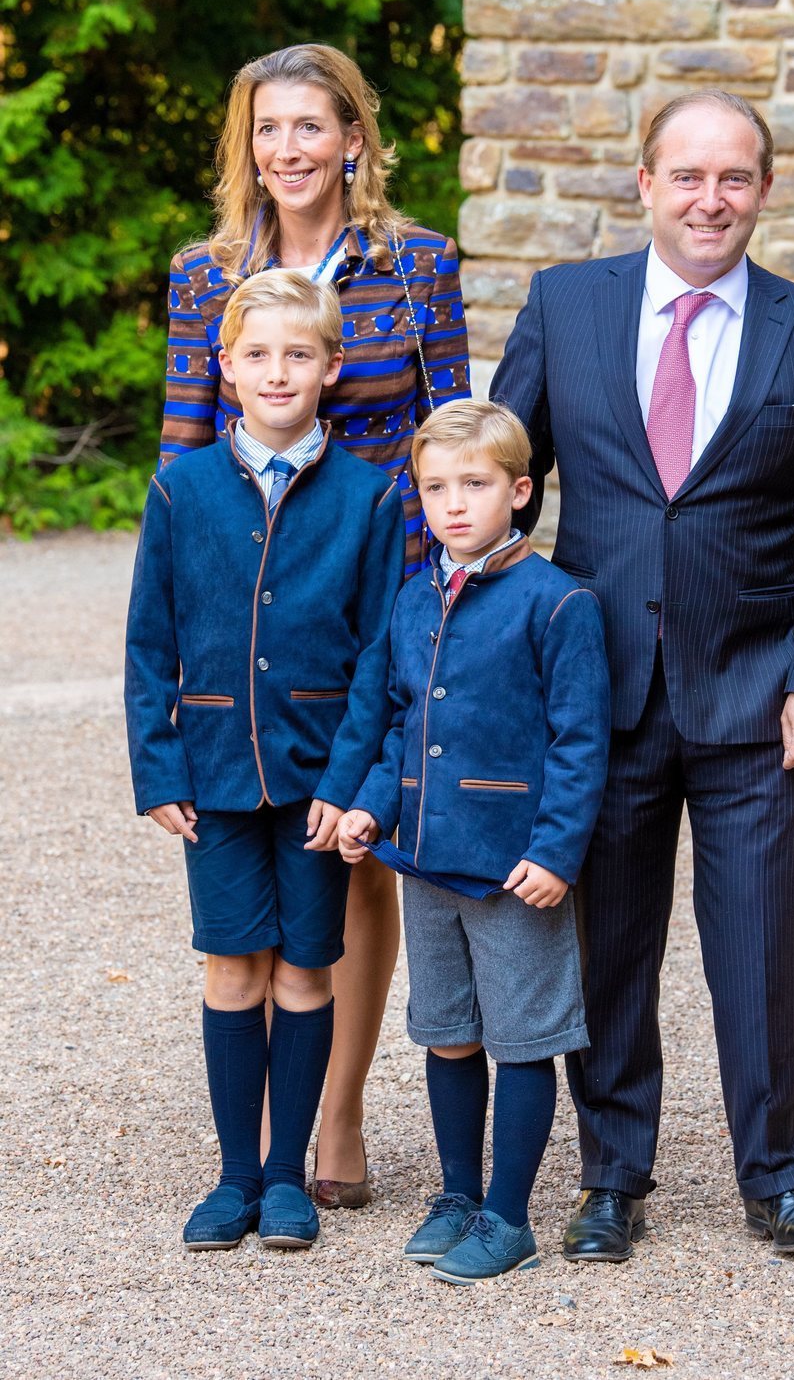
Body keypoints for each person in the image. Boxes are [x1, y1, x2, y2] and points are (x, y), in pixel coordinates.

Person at [490, 90, 794, 1261]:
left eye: (732, 178)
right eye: (686, 176)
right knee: (607, 943)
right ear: (644, 184)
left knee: (762, 949)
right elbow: (497, 483)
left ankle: (777, 1180)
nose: (708, 199)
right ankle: (611, 1178)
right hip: (593, 696)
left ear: (763, 191)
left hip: (759, 698)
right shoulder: (565, 306)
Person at [159, 43, 471, 1205]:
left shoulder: (417, 265)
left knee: (357, 852)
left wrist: (457, 597)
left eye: (310, 128)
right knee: (261, 848)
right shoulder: (204, 276)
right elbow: (184, 446)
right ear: (247, 144)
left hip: (384, 591)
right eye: (267, 129)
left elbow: (452, 437)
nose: (288, 150)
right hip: (252, 613)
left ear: (353, 140)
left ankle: (334, 1112)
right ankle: (267, 1141)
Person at [125, 270, 405, 1250]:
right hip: (212, 774)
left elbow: (381, 652)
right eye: (258, 355)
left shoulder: (370, 498)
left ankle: (288, 1177)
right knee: (231, 966)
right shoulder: (180, 488)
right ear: (225, 368)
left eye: (298, 354)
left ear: (331, 367)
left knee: (303, 971)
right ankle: (234, 1175)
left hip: (319, 781)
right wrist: (158, 769)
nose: (277, 372)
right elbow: (146, 642)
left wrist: (354, 783)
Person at [337, 400, 611, 1284]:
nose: (454, 504)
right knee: (447, 1031)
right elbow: (398, 724)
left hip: (513, 867)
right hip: (426, 858)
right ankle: (457, 1193)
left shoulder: (559, 602)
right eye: (436, 488)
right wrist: (370, 809)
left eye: (476, 485)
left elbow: (580, 743)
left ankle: (509, 1215)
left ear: (519, 491)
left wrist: (556, 854)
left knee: (522, 1038)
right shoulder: (415, 598)